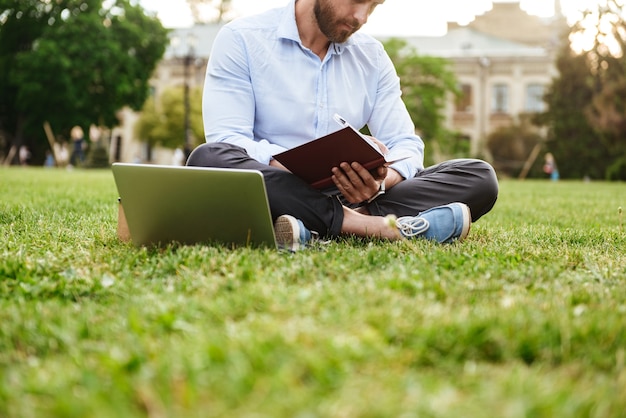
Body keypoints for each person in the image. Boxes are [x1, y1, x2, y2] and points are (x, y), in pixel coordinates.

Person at [187, 0, 499, 251]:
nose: (362, 16)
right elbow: (228, 138)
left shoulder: (372, 57)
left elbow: (406, 144)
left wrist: (379, 181)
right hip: (272, 185)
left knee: (477, 176)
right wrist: (297, 168)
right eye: (357, 1)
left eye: (374, 5)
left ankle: (312, 226)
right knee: (208, 158)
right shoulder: (241, 39)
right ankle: (372, 228)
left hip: (353, 195)